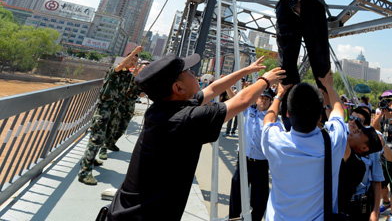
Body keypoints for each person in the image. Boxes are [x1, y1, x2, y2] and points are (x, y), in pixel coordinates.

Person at [105, 54, 285, 220]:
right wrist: (265, 81)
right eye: (189, 72)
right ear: (178, 87)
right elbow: (242, 102)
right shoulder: (184, 119)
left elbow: (213, 89)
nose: (194, 74)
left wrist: (246, 70)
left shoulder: (164, 108)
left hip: (126, 209)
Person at [261, 71, 347, 221]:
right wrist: (328, 86)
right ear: (320, 116)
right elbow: (338, 110)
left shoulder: (275, 141)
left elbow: (268, 119)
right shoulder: (332, 142)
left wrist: (279, 95)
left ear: (288, 113)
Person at [78, 46, 142, 185]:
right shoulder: (115, 71)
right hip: (104, 110)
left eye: (134, 61)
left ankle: (90, 159)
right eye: (131, 59)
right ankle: (84, 172)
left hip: (114, 110)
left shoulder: (127, 76)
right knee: (96, 139)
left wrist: (137, 77)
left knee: (104, 138)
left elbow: (133, 93)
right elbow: (121, 65)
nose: (132, 63)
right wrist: (135, 51)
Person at [228, 88, 274, 221]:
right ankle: (234, 218)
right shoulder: (249, 111)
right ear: (257, 99)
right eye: (261, 98)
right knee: (237, 188)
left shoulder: (271, 118)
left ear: (270, 101)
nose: (263, 101)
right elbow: (237, 99)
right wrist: (228, 88)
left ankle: (255, 219)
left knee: (260, 196)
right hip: (244, 159)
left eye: (266, 99)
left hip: (261, 162)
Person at [102, 59, 150, 159]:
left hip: (130, 105)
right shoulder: (129, 76)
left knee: (123, 127)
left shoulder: (143, 81)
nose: (145, 71)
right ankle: (103, 148)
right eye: (144, 68)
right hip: (120, 104)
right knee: (112, 126)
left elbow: (140, 94)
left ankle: (112, 143)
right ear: (138, 67)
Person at [338, 123, 384, 221]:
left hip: (350, 208)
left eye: (359, 133)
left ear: (364, 148)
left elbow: (339, 131)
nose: (354, 131)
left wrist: (375, 211)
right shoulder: (355, 159)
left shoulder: (356, 163)